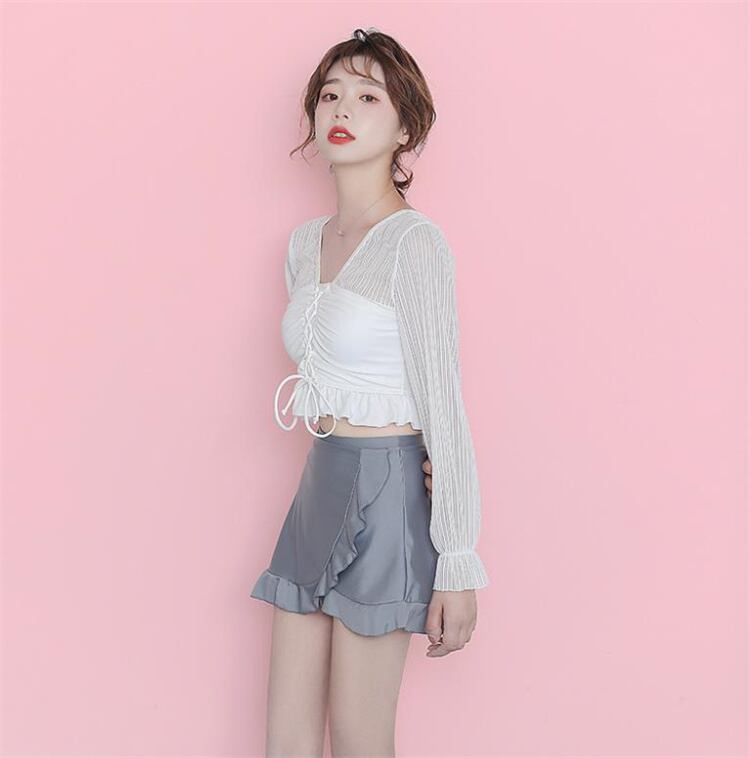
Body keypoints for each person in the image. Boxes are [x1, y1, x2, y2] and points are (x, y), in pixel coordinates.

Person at [250, 27, 489, 757]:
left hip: (388, 490)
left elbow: (444, 406)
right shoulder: (304, 244)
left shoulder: (415, 245)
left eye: (367, 96)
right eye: (329, 95)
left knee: (360, 739)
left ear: (405, 128)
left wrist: (457, 559)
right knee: (286, 739)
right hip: (318, 480)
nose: (342, 109)